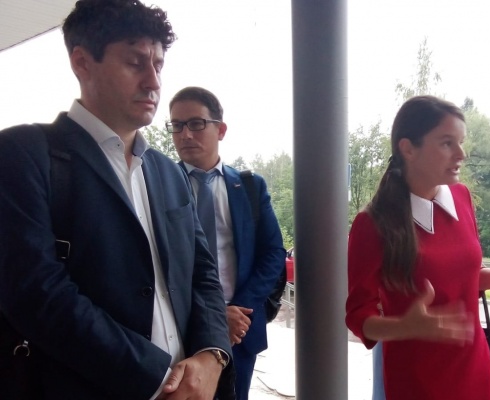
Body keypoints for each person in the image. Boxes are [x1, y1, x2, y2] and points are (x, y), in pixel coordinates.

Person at [0, 1, 232, 399]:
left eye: (158, 64)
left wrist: (212, 355)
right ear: (82, 62)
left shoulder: (168, 171)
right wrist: (156, 378)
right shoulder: (24, 154)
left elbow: (202, 274)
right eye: (135, 62)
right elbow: (36, 292)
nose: (153, 81)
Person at [345, 95, 490, 400]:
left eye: (461, 143)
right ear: (408, 148)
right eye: (447, 143)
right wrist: (403, 326)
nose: (461, 154)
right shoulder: (373, 223)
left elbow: (465, 277)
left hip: (475, 366)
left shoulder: (461, 198)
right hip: (418, 380)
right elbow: (357, 316)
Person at [168, 86, 286, 400]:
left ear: (220, 130)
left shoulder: (249, 187)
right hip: (181, 328)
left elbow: (273, 253)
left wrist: (238, 311)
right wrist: (216, 316)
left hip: (241, 327)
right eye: (176, 125)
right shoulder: (160, 186)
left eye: (196, 124)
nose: (185, 134)